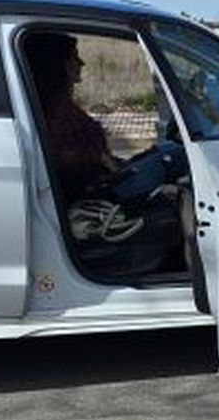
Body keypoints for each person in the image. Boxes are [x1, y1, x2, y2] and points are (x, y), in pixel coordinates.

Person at [24, 31, 184, 274]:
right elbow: (67, 165)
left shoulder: (49, 105)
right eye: (74, 57)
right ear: (58, 66)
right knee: (175, 157)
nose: (81, 63)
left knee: (167, 152)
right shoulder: (56, 112)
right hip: (102, 194)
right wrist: (104, 165)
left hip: (104, 182)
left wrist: (113, 163)